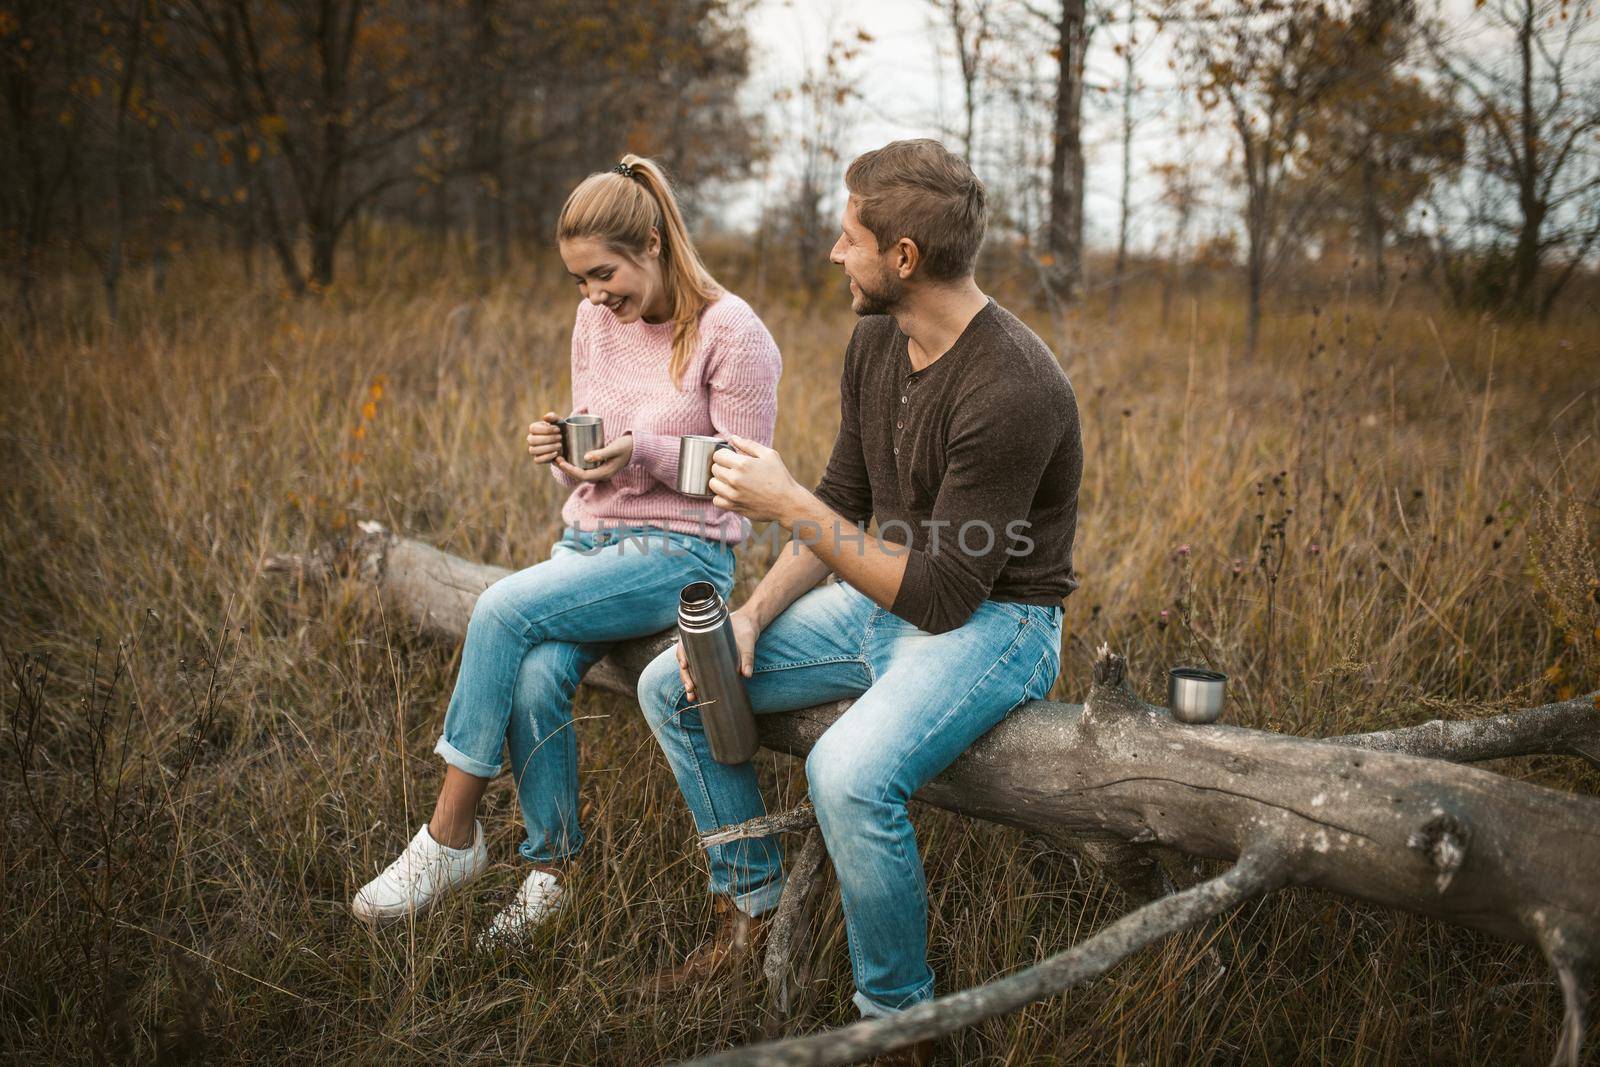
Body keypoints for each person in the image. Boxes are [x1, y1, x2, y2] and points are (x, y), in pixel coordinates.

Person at [637, 139, 1081, 1065]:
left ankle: (897, 1028)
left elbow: (943, 595)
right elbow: (844, 502)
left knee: (846, 772)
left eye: (849, 240)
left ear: (904, 257)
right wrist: (753, 614)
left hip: (998, 624)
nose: (836, 255)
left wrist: (784, 501)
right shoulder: (877, 338)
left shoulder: (1015, 387)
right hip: (889, 591)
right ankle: (751, 916)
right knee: (673, 686)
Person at [350, 155, 783, 948]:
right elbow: (596, 451)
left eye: (604, 274)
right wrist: (562, 449)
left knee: (500, 605)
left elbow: (744, 478)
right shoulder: (595, 323)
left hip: (682, 554)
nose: (593, 296)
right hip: (588, 542)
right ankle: (554, 871)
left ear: (652, 241)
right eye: (579, 280)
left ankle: (451, 833)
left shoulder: (733, 332)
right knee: (536, 673)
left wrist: (642, 451)